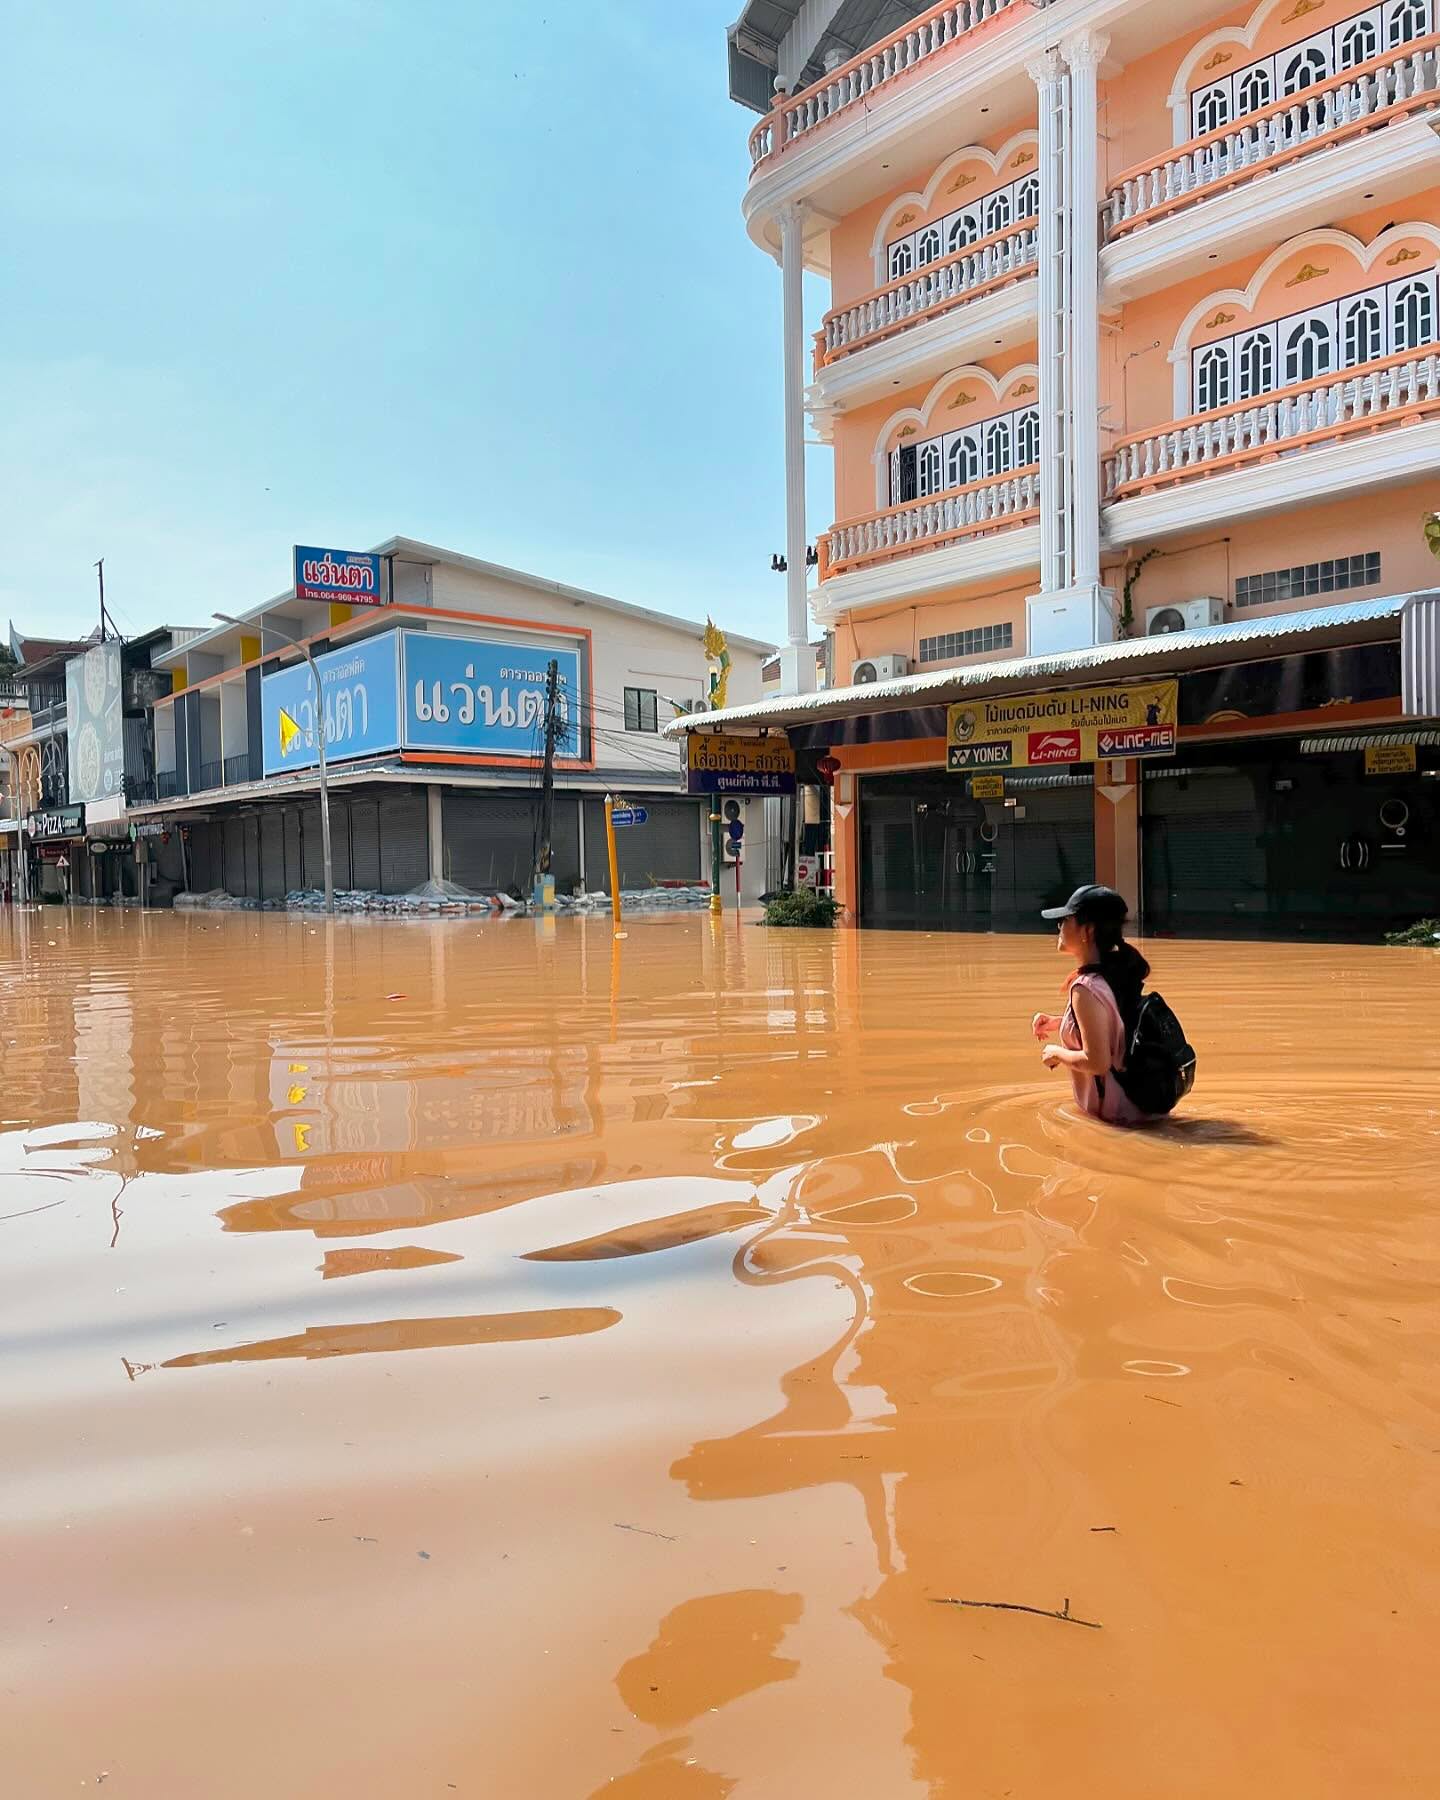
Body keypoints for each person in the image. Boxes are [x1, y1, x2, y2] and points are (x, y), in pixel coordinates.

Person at [1031, 885, 1154, 1125]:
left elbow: (1097, 1062)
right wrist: (1059, 1022)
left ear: (1087, 930)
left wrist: (1056, 1053)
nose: (1059, 926)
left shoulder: (1085, 988)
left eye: (1066, 920)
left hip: (1119, 1119)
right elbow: (1113, 1025)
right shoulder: (1112, 974)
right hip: (1137, 1108)